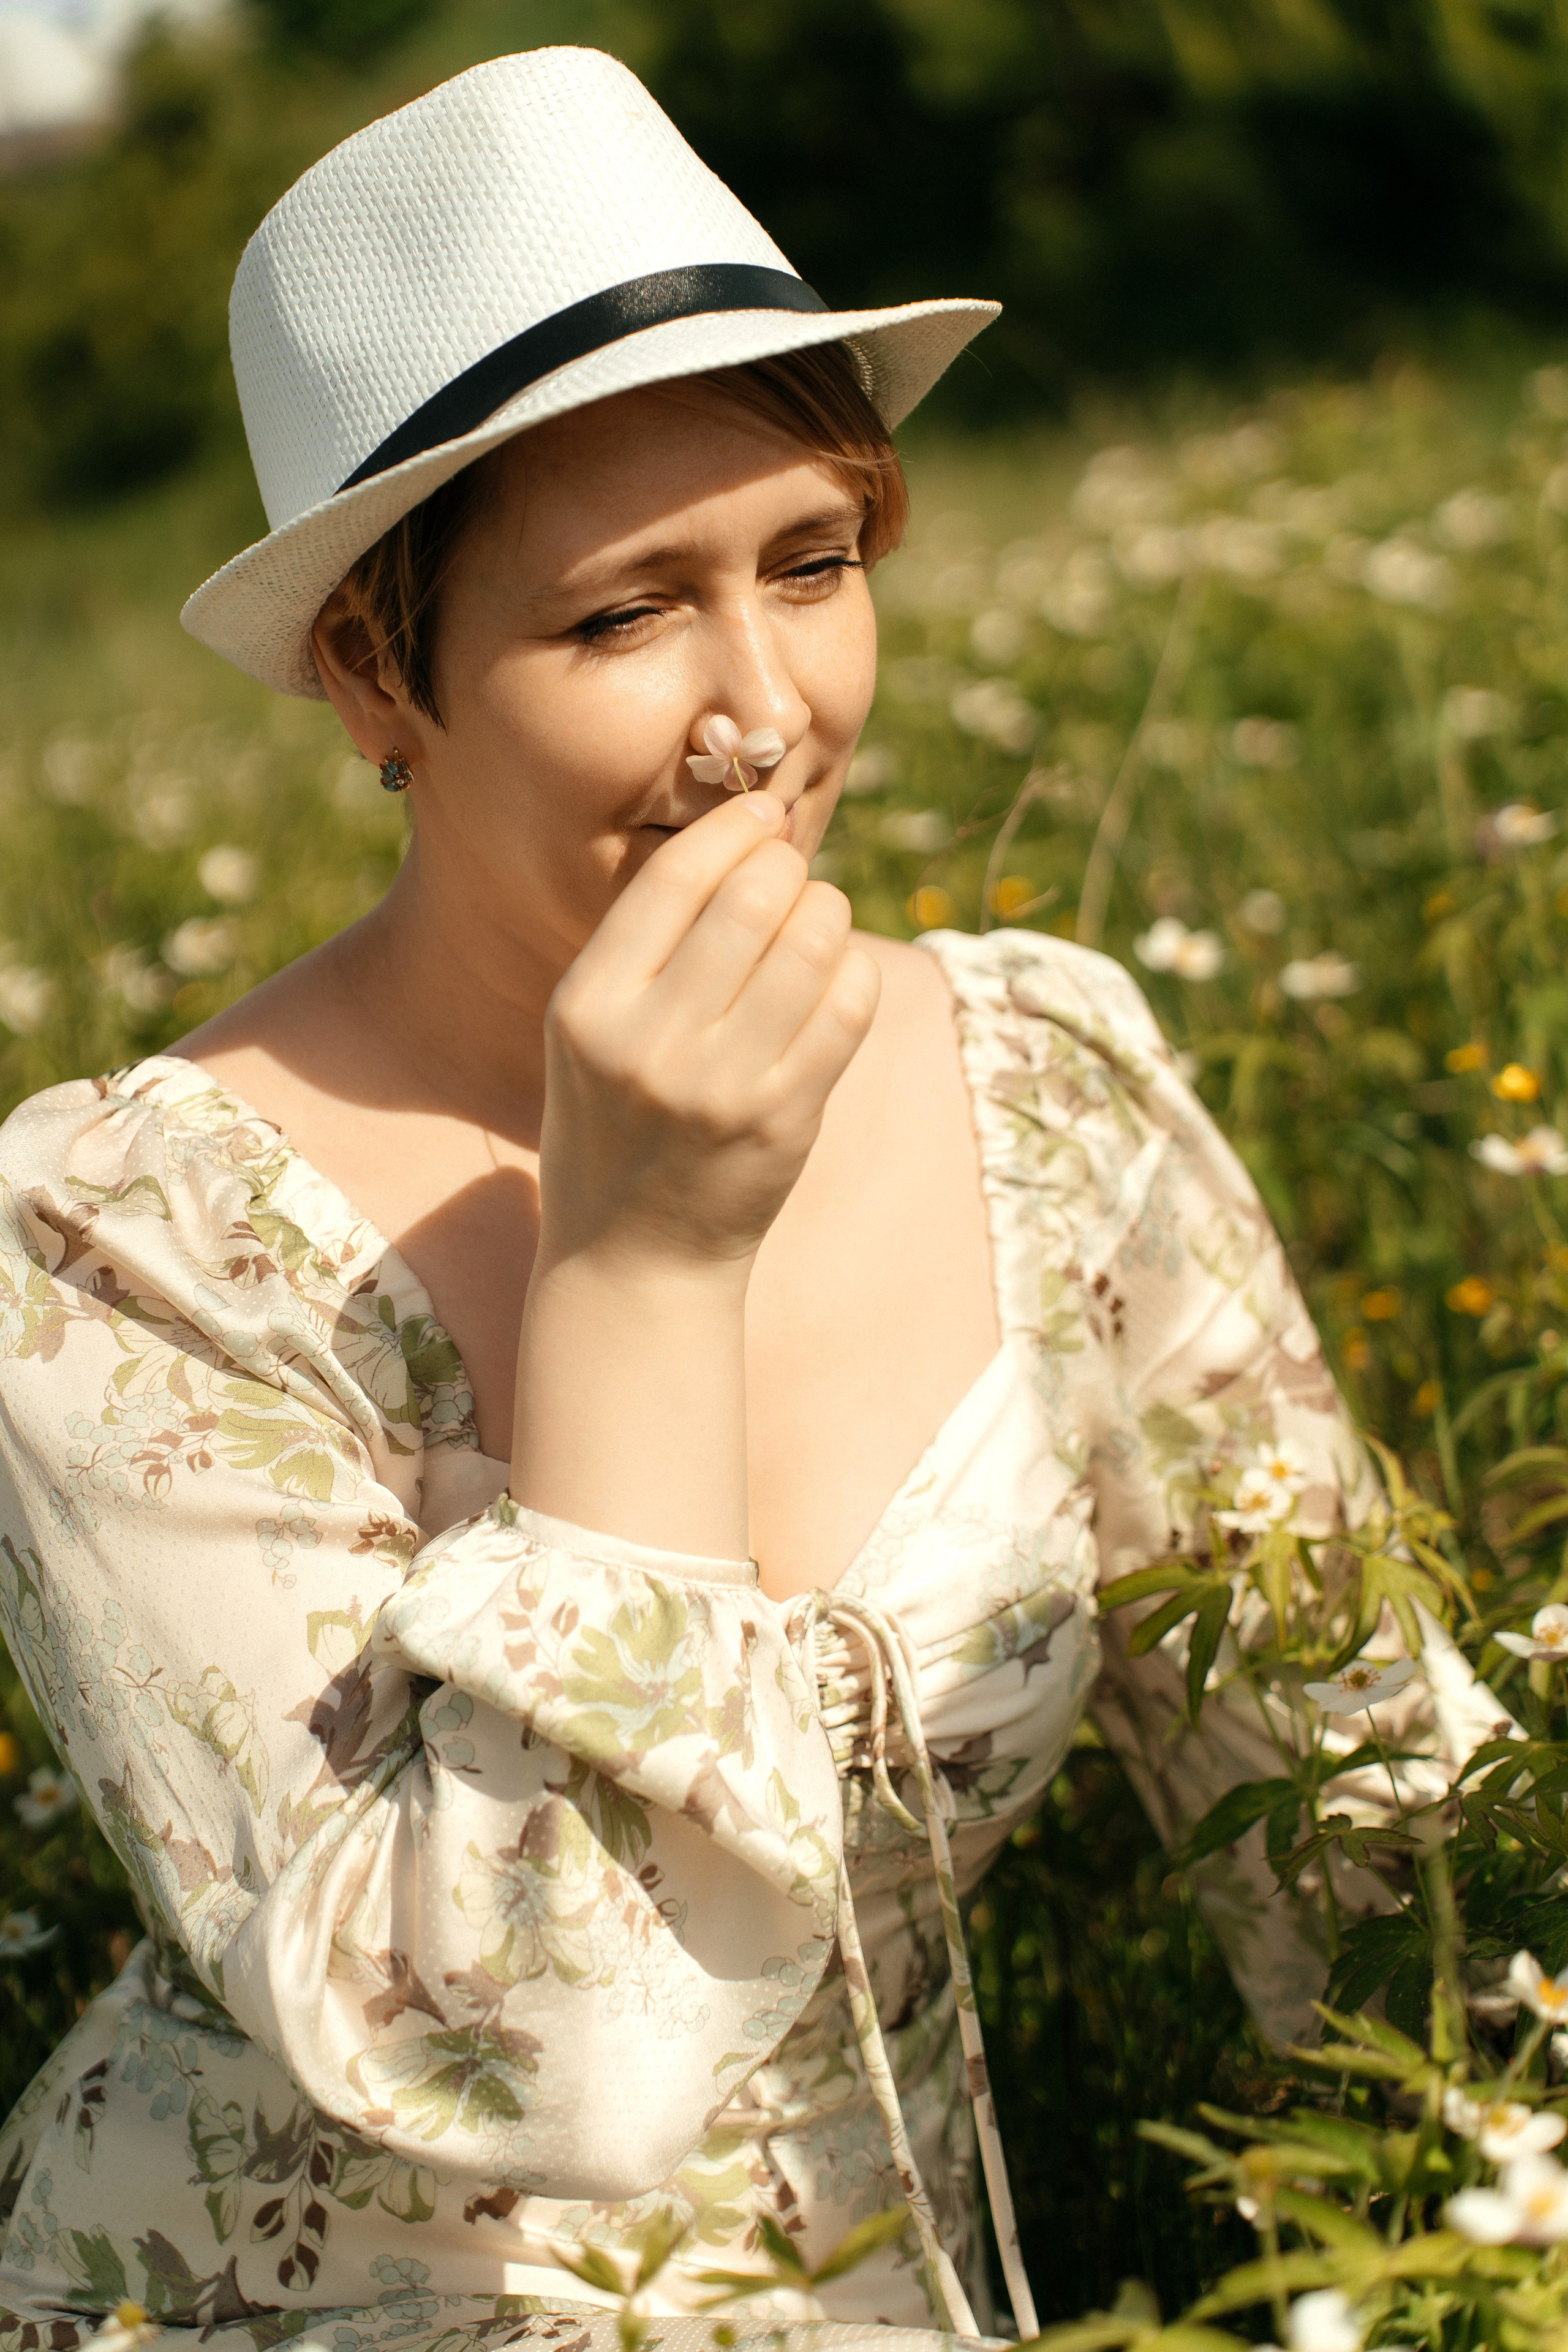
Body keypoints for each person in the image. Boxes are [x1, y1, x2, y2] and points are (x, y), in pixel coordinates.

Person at [0, 45, 1499, 2352]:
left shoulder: (1046, 1085)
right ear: (370, 670)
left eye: (814, 565)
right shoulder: (121, 1247)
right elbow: (544, 2055)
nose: (763, 710)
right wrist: (641, 1258)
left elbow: (1362, 1816)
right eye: (621, 618)